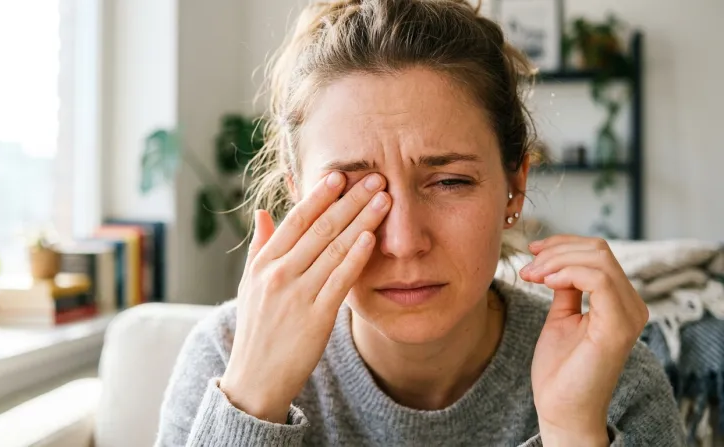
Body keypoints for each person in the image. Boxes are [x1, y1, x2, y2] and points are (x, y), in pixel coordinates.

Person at [156, 0, 684, 445]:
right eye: (356, 192)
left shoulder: (612, 379)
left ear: (514, 185)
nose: (405, 243)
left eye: (450, 181)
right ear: (300, 200)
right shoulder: (224, 359)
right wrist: (253, 401)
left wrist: (572, 429)